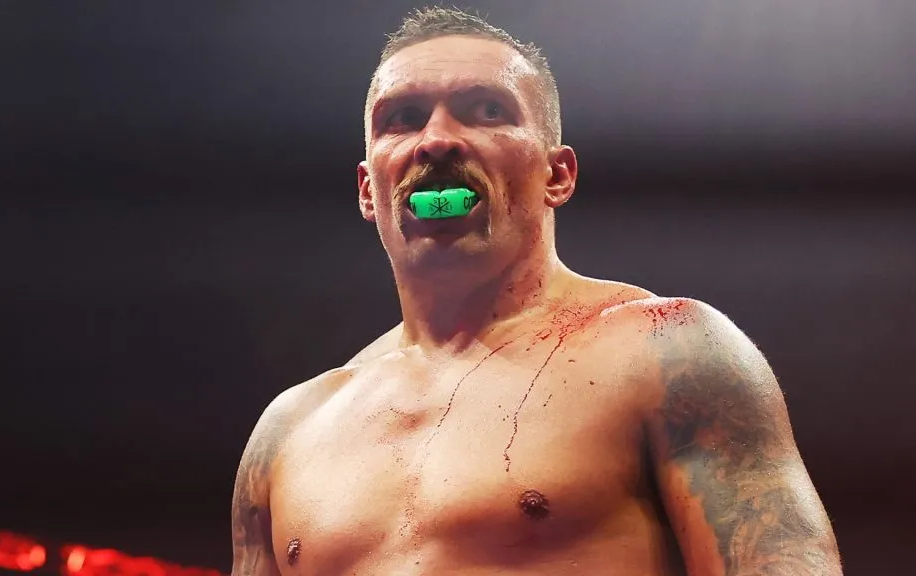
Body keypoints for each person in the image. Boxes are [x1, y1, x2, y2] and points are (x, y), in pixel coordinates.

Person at [230, 6, 842, 575]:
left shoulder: (666, 348)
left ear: (557, 174)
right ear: (369, 190)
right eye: (402, 119)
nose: (437, 139)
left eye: (486, 110)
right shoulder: (289, 432)